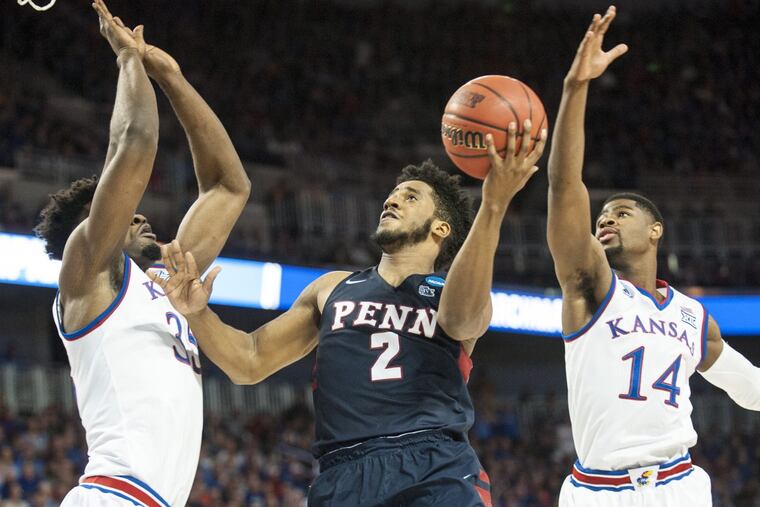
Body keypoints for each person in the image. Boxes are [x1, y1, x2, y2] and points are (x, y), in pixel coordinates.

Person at [149, 119, 547, 504]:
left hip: (435, 465)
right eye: (393, 194)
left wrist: (492, 207)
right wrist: (198, 314)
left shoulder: (452, 292)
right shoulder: (331, 287)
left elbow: (462, 319)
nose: (392, 200)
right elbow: (249, 362)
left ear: (440, 229)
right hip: (344, 473)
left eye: (411, 197)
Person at [33, 1, 251, 505]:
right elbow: (134, 142)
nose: (136, 212)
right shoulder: (87, 273)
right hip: (113, 495)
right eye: (120, 205)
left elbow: (228, 188)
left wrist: (172, 77)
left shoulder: (162, 281)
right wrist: (129, 59)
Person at [546, 6, 760, 507]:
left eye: (621, 213)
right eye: (602, 215)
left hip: (679, 485)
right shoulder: (590, 284)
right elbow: (562, 186)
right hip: (597, 491)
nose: (606, 221)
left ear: (656, 231)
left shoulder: (693, 317)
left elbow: (750, 389)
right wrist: (574, 89)